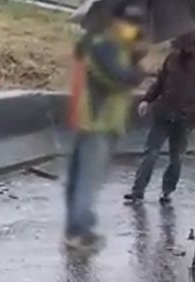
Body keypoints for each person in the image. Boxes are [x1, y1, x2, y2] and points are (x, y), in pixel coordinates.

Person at [65, 1, 147, 249]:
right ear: (115, 22)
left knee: (80, 178)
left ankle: (77, 228)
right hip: (98, 122)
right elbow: (117, 79)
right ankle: (79, 232)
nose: (132, 27)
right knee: (87, 181)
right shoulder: (106, 46)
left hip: (99, 121)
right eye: (129, 22)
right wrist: (137, 70)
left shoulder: (114, 46)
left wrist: (134, 54)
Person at [124, 30, 195, 204]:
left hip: (187, 115)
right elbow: (160, 82)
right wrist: (147, 99)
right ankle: (138, 191)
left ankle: (167, 191)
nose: (179, 50)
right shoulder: (173, 57)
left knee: (176, 157)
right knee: (151, 152)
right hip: (164, 110)